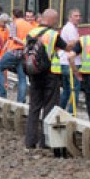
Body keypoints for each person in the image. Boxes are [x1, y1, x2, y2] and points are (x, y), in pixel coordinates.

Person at [25, 9, 73, 149]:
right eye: (56, 19)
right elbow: (66, 48)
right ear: (52, 20)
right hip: (50, 73)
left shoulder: (32, 32)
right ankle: (44, 141)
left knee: (34, 106)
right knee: (49, 106)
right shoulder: (53, 35)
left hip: (34, 73)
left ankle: (30, 141)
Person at [0, 9, 34, 103]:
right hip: (23, 54)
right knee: (22, 77)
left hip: (14, 51)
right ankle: (21, 100)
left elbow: (12, 38)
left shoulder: (14, 23)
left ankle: (2, 94)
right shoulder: (29, 25)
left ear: (14, 16)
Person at [58, 8, 82, 114]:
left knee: (67, 91)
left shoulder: (69, 28)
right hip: (71, 63)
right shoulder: (70, 28)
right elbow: (71, 44)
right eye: (75, 16)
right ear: (70, 17)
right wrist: (80, 40)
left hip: (65, 62)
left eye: (79, 16)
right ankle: (72, 113)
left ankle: (60, 110)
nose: (78, 18)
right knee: (74, 90)